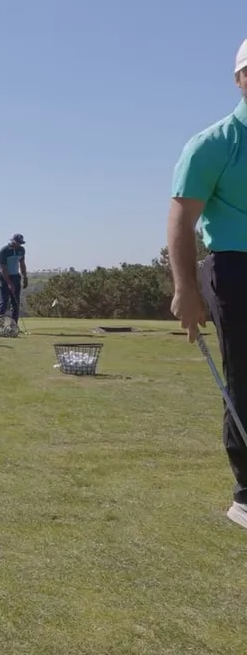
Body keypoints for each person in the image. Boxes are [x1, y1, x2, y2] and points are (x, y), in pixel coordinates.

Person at [168, 36, 247, 530]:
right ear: (240, 79)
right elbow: (181, 222)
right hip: (236, 268)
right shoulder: (214, 143)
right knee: (245, 378)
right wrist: (186, 289)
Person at [0, 234, 27, 323]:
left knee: (15, 303)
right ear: (13, 241)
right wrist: (9, 283)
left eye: (20, 243)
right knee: (3, 302)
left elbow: (22, 264)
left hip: (16, 277)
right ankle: (0, 326)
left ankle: (13, 326)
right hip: (4, 278)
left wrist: (25, 277)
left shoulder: (21, 250)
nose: (19, 245)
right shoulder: (4, 251)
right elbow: (3, 269)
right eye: (17, 242)